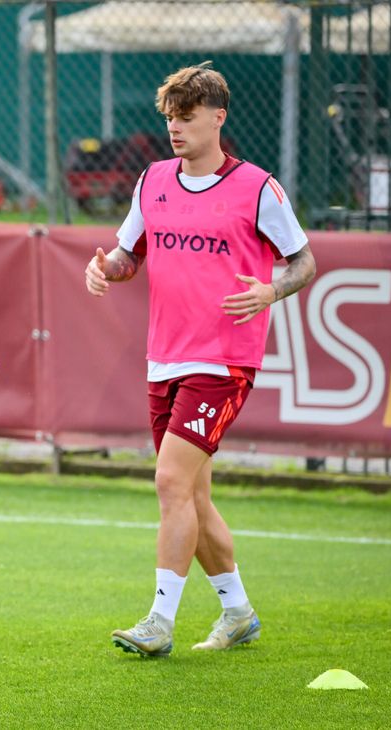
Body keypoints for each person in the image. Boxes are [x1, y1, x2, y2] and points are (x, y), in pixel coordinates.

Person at [84, 62, 316, 657]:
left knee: (169, 480)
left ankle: (159, 622)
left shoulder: (257, 187)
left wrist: (270, 291)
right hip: (164, 357)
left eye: (186, 117)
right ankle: (238, 613)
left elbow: (303, 261)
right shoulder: (152, 180)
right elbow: (128, 255)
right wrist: (105, 268)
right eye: (169, 117)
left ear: (218, 117)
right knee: (192, 494)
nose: (174, 128)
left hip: (224, 360)